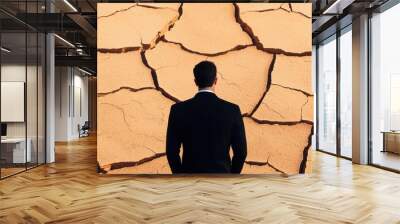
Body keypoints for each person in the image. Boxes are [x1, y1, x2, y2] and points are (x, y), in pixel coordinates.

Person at [166, 61, 247, 174]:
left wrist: (181, 177)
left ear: (195, 82)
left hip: (190, 182)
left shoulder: (178, 110)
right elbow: (241, 153)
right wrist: (231, 177)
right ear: (216, 80)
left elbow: (171, 152)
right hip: (222, 182)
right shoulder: (232, 110)